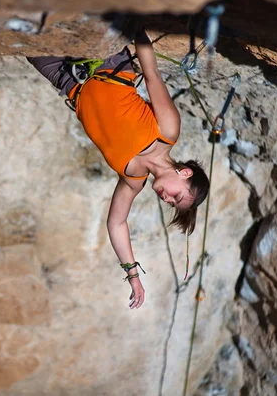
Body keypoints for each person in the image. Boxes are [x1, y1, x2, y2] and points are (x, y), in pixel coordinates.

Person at [28, 30, 210, 310]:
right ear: (185, 173)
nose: (167, 199)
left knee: (26, 36)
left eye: (171, 203)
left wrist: (133, 275)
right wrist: (136, 30)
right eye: (177, 196)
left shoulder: (133, 179)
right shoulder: (168, 131)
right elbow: (151, 75)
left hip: (70, 82)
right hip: (107, 63)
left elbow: (116, 223)